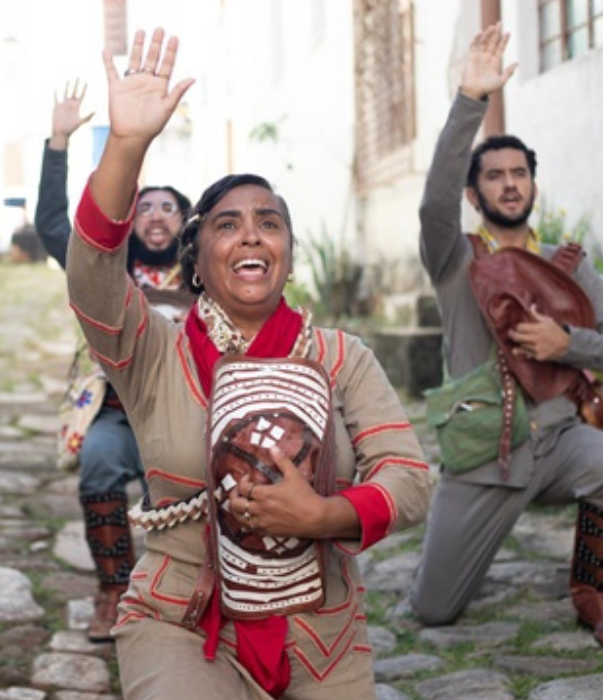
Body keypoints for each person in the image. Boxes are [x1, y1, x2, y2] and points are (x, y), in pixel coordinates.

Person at [66, 29, 432, 698]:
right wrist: (126, 147)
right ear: (197, 261)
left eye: (269, 221)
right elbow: (91, 276)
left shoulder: (341, 358)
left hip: (320, 634)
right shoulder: (152, 353)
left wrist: (323, 517)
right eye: (227, 224)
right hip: (180, 618)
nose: (252, 234)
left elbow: (409, 477)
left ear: (287, 252)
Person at [409, 25, 603, 652]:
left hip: (563, 442)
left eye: (520, 173)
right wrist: (469, 101)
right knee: (433, 611)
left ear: (533, 186)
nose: (510, 183)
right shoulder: (454, 259)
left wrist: (566, 343)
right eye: (495, 175)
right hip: (487, 454)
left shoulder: (568, 265)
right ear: (475, 192)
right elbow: (432, 205)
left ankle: (594, 588)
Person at [34, 80, 195, 642]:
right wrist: (59, 141)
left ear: (186, 222)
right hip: (114, 409)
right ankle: (113, 589)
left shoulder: (207, 277)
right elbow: (55, 227)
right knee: (99, 465)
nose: (154, 215)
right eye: (143, 205)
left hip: (190, 413)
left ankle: (188, 593)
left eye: (167, 208)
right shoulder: (106, 267)